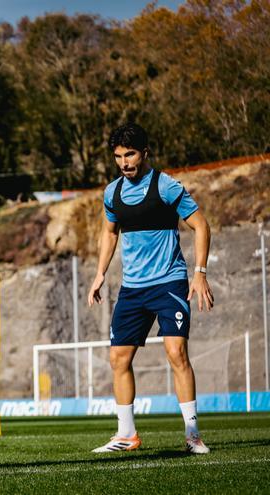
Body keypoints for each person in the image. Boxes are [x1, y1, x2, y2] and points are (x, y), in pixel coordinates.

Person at [88, 123, 213, 454]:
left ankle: (192, 435)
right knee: (118, 358)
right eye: (118, 156)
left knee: (176, 352)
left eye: (130, 154)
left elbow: (201, 226)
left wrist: (199, 273)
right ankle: (126, 434)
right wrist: (100, 273)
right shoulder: (112, 193)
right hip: (132, 289)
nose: (125, 162)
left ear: (144, 153)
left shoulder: (166, 187)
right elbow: (110, 233)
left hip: (169, 282)